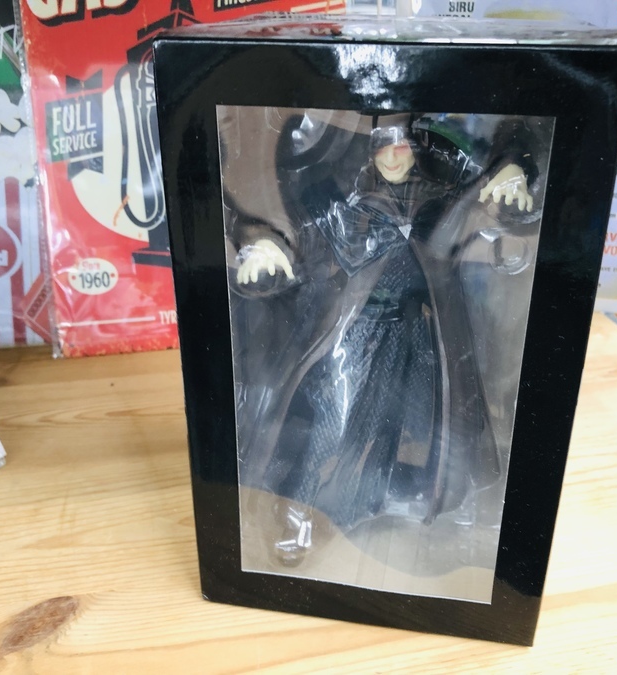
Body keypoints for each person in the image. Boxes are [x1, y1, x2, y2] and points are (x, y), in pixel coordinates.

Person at [231, 112, 539, 566]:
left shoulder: (439, 191)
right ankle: (299, 510)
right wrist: (262, 241)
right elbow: (291, 223)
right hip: (355, 331)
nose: (393, 157)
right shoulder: (341, 196)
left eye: (403, 146)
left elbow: (501, 177)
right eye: (382, 147)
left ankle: (366, 498)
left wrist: (513, 168)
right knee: (329, 423)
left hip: (416, 330)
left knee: (401, 421)